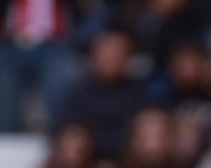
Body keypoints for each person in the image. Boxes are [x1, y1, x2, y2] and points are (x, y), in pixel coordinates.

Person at [57, 27, 153, 160]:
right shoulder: (78, 91)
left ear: (128, 58)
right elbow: (66, 129)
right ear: (93, 56)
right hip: (86, 161)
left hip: (128, 163)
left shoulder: (139, 92)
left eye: (117, 53)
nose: (110, 58)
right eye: (106, 52)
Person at [0, 0, 78, 133]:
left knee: (58, 88)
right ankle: (6, 138)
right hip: (11, 43)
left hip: (52, 43)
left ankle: (60, 140)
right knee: (6, 97)